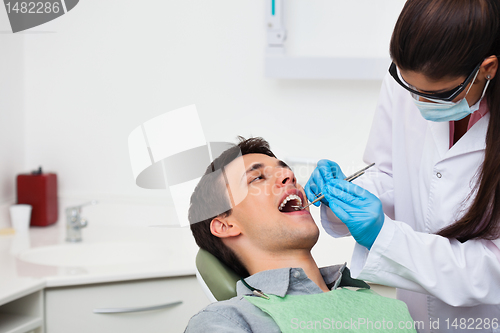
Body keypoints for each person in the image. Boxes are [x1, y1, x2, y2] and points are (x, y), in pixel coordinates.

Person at [305, 1, 500, 332]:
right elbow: (392, 175)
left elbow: (492, 269)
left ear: (488, 68)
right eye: (411, 89)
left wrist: (385, 237)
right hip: (414, 318)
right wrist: (346, 197)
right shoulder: (404, 80)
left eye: (436, 95)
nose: (419, 103)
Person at [185, 137, 416, 333]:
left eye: (285, 169)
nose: (289, 175)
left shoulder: (389, 309)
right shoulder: (223, 322)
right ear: (225, 226)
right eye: (257, 178)